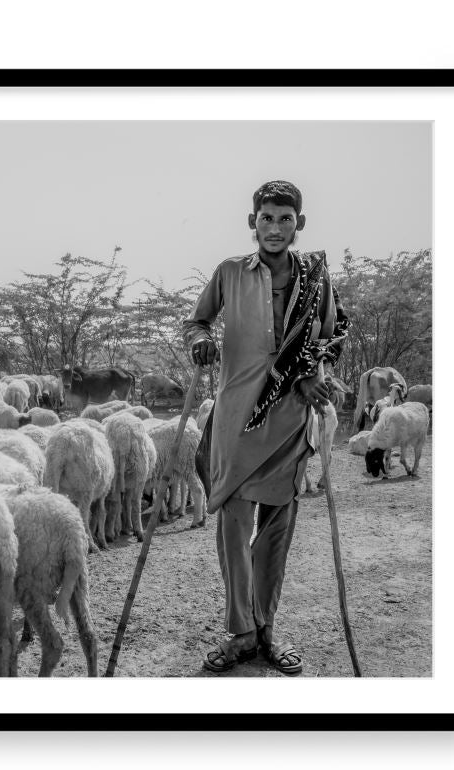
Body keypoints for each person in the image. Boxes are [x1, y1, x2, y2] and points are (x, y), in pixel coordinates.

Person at [183, 180, 349, 674]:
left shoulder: (317, 278)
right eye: (266, 218)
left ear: (299, 223)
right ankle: (240, 634)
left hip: (289, 417)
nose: (274, 228)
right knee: (233, 529)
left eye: (284, 218)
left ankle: (268, 630)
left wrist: (315, 378)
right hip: (236, 417)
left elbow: (333, 332)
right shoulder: (229, 273)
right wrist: (201, 341)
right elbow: (197, 322)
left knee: (275, 531)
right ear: (251, 222)